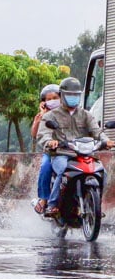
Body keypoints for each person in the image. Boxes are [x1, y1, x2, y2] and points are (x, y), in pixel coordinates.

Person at [38, 77, 114, 217]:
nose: (73, 98)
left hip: (84, 153)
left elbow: (97, 132)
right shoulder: (51, 115)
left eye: (76, 95)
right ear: (62, 95)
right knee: (62, 170)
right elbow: (43, 134)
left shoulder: (86, 115)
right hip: (62, 153)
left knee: (103, 172)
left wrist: (107, 141)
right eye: (69, 95)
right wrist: (50, 142)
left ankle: (95, 204)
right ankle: (52, 204)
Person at [30, 83, 61, 214]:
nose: (53, 101)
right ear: (44, 102)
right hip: (51, 152)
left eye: (55, 97)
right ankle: (43, 199)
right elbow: (34, 134)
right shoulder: (42, 116)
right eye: (49, 99)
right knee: (45, 166)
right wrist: (41, 115)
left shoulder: (68, 113)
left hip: (70, 150)